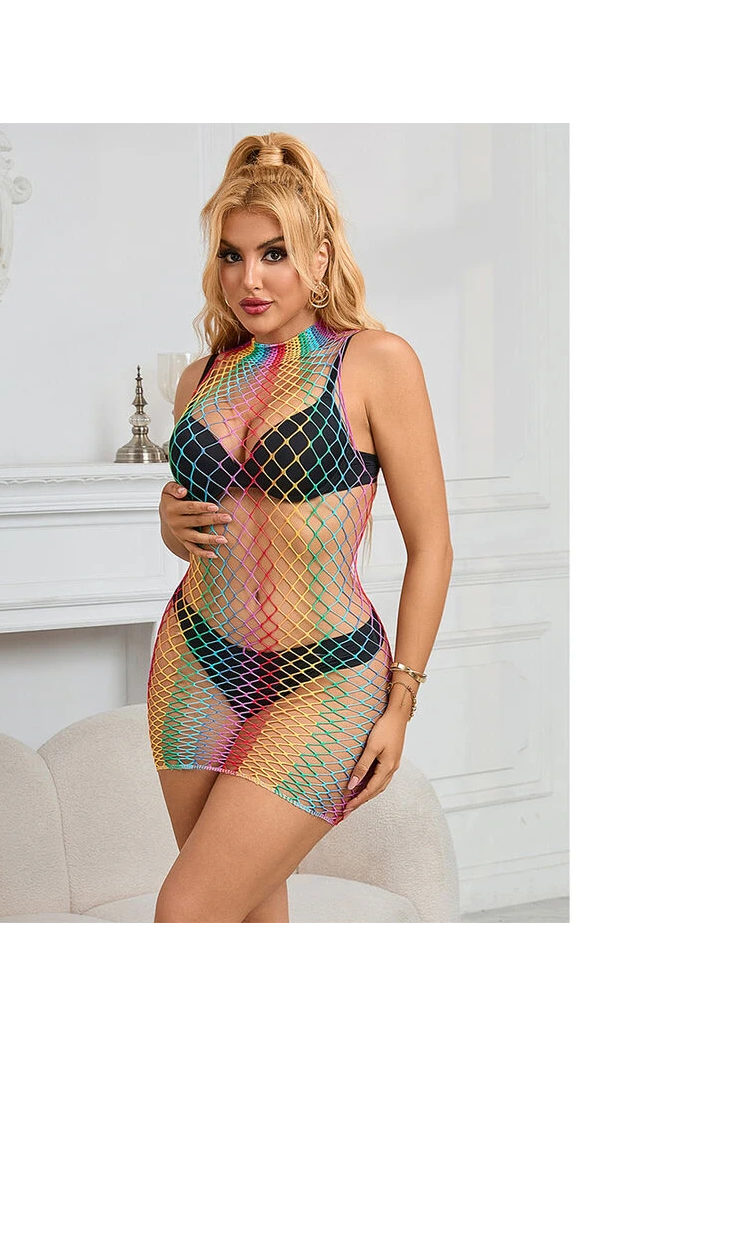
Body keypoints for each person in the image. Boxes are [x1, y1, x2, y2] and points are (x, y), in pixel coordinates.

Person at [146, 132, 452, 923]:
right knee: (245, 913)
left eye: (274, 254)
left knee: (186, 912)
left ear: (318, 259)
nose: (249, 278)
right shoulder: (200, 378)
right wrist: (170, 521)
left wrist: (401, 701)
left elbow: (432, 548)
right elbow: (206, 517)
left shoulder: (376, 362)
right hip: (197, 660)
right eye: (232, 255)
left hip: (326, 677)